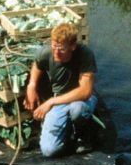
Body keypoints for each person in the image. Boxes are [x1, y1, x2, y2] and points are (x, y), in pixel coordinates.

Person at [25, 23, 98, 157]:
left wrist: (51, 102)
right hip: (59, 100)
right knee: (48, 151)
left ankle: (84, 134)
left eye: (62, 49)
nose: (56, 53)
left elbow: (85, 91)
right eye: (54, 47)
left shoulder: (85, 54)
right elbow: (37, 64)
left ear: (73, 46)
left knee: (77, 109)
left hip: (81, 99)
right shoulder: (46, 52)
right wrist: (32, 85)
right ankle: (67, 131)